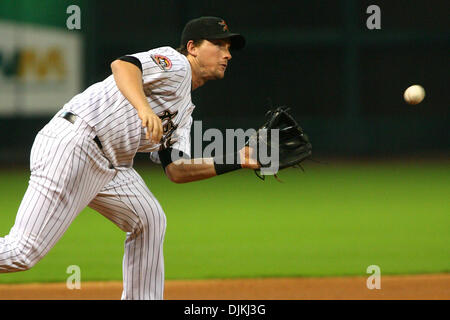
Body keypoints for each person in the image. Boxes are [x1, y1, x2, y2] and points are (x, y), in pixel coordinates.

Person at [0, 16, 259, 300]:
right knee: (22, 252)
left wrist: (238, 159)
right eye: (219, 44)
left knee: (149, 220)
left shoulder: (185, 110)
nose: (227, 53)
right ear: (192, 47)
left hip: (110, 164)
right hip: (76, 143)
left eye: (228, 47)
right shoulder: (177, 65)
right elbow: (123, 65)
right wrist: (143, 108)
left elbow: (177, 170)